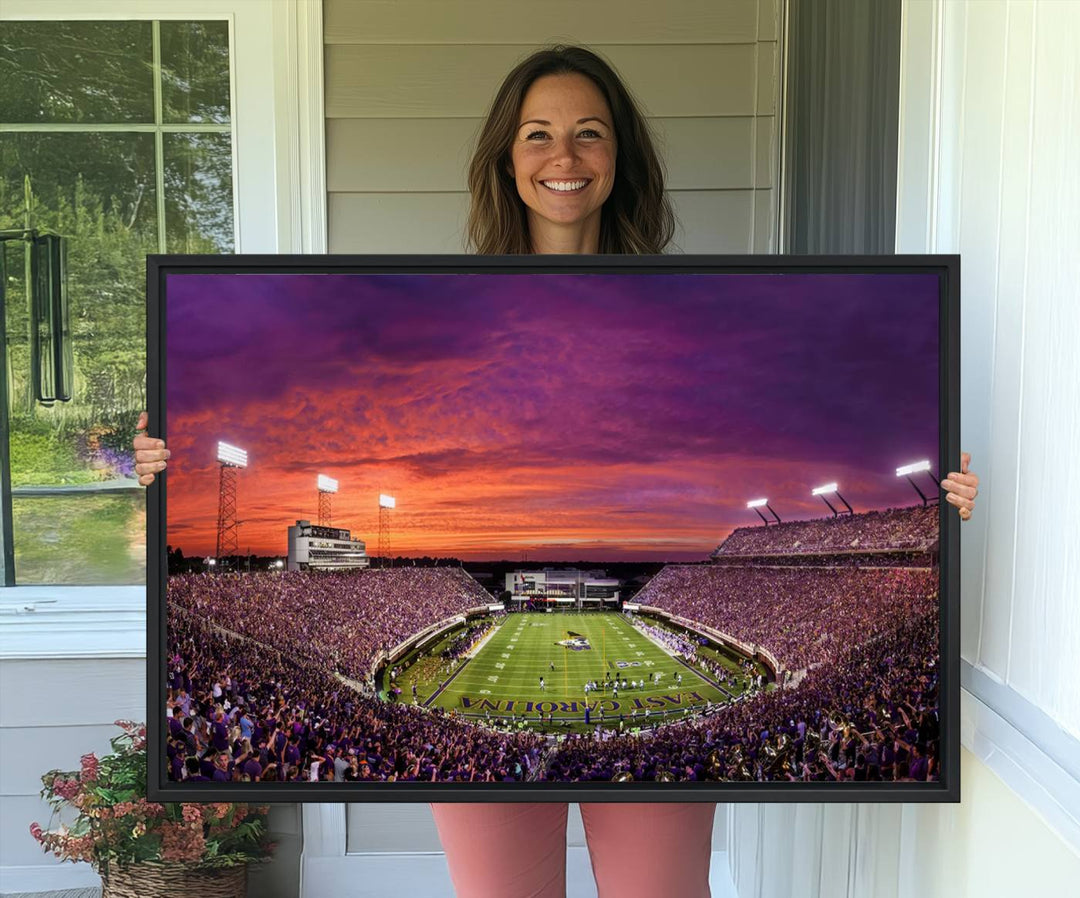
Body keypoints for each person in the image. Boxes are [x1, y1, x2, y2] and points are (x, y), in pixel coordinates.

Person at [135, 43, 981, 898]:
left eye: (589, 133)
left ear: (620, 158)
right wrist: (163, 466)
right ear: (507, 157)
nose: (563, 157)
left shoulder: (677, 305)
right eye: (537, 134)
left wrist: (941, 511)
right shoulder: (455, 311)